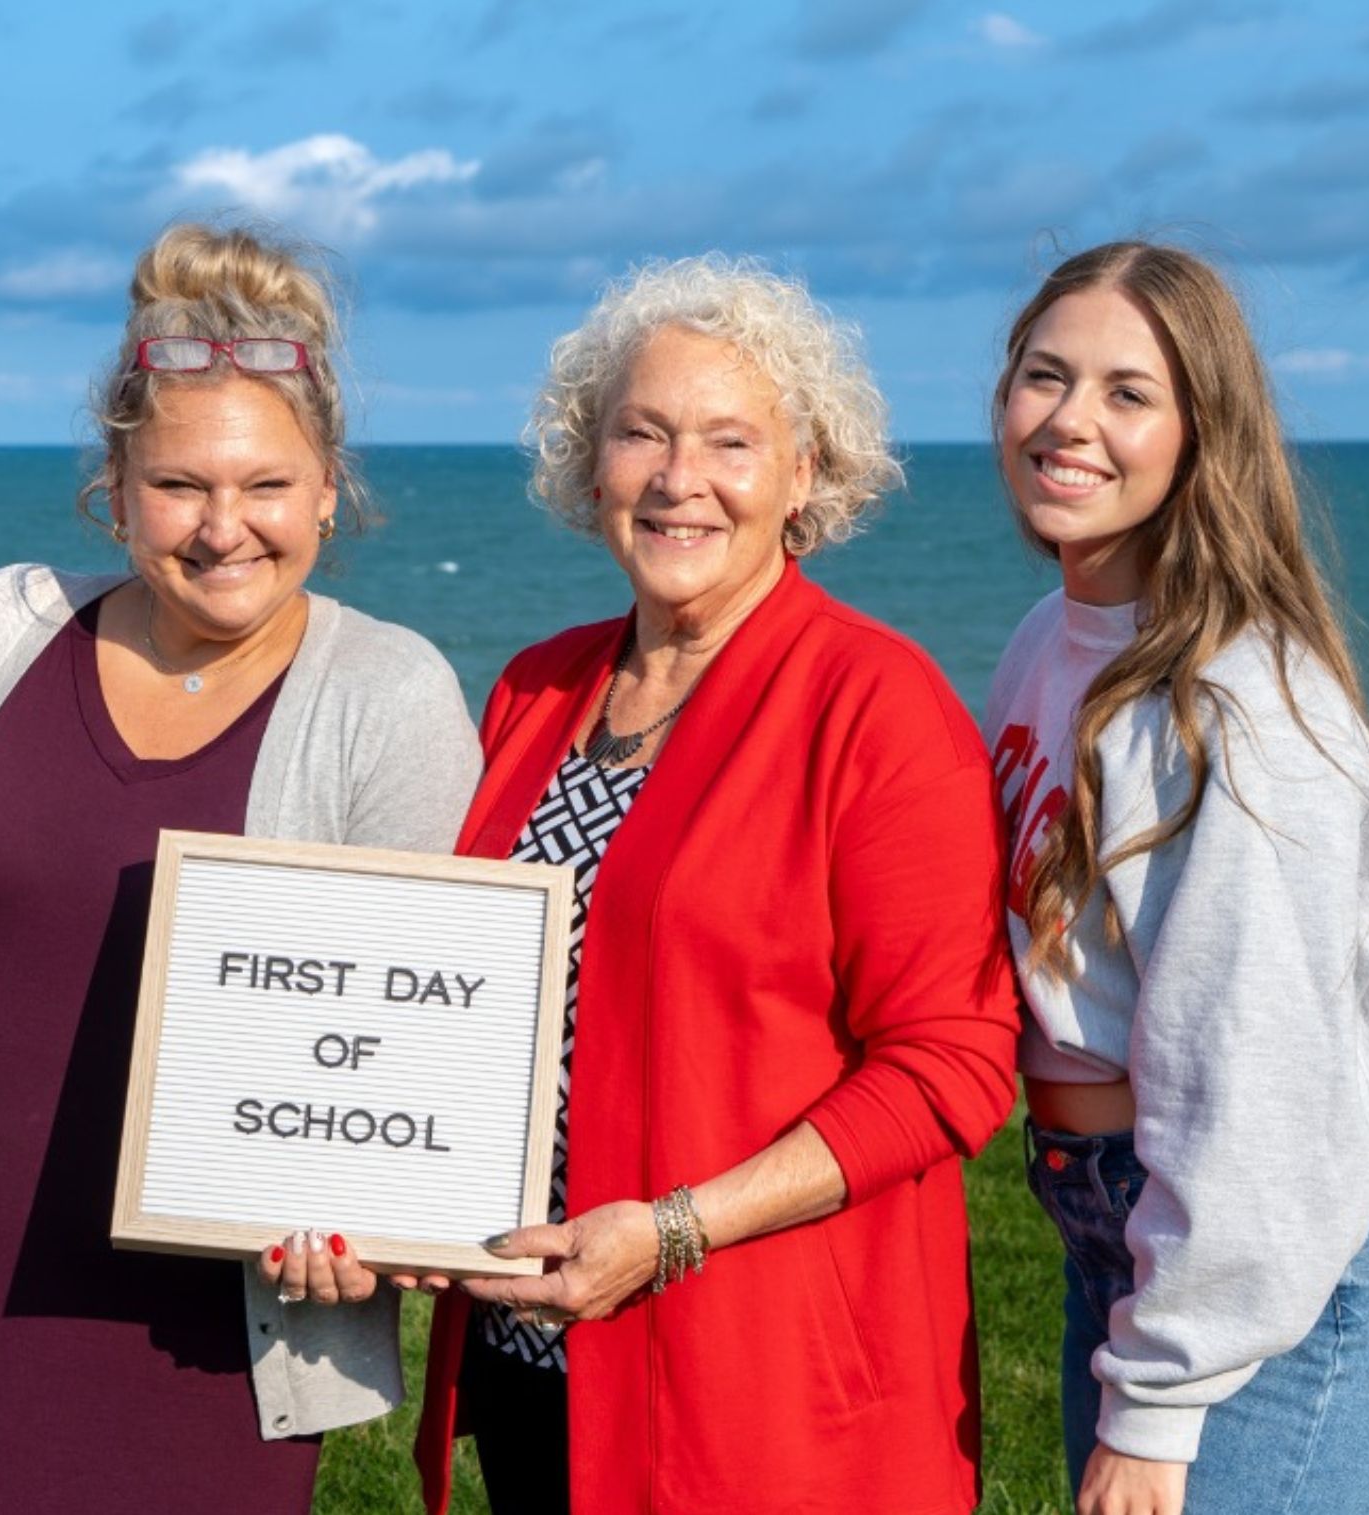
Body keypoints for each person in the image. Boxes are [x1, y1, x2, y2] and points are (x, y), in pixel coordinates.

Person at [0, 224, 482, 1514]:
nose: (222, 530)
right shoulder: (3, 626)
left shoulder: (387, 695)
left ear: (327, 486)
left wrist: (372, 1220)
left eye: (266, 485)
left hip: (206, 1353)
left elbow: (416, 1056)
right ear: (114, 481)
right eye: (179, 485)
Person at [411, 256, 1022, 1514]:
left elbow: (952, 1064)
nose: (678, 478)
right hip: (537, 1354)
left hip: (759, 1381)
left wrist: (675, 1230)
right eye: (641, 433)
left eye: (730, 442)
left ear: (806, 475)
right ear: (591, 467)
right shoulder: (535, 688)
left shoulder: (874, 706)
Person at [984, 241, 1369, 1515]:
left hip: (1267, 1292)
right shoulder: (1052, 640)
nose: (1068, 420)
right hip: (1131, 1244)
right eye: (1043, 376)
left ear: (1204, 435)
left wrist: (1156, 1398)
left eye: (1126, 394)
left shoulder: (1233, 711)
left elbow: (1258, 1091)